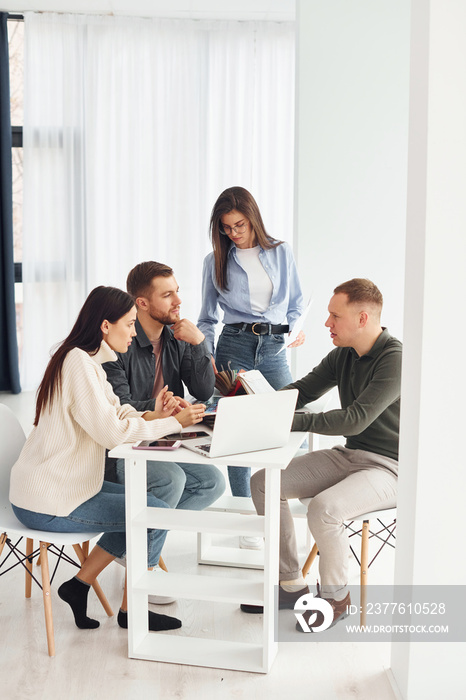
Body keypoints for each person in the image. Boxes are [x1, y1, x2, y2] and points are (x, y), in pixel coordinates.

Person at [9, 286, 206, 632]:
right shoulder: (78, 365)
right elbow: (112, 434)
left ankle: (79, 585)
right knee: (150, 513)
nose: (133, 332)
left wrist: (155, 415)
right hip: (50, 501)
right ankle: (132, 610)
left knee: (150, 506)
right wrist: (173, 423)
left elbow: (117, 412)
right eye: (129, 325)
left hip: (69, 489)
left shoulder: (87, 363)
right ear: (104, 325)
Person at [242, 279, 401, 631]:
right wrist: (254, 403)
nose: (326, 323)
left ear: (362, 318)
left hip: (390, 468)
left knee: (324, 509)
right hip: (351, 455)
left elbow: (356, 419)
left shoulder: (394, 359)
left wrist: (290, 422)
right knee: (264, 483)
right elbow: (301, 391)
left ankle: (336, 597)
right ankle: (290, 585)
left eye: (334, 316)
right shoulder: (343, 355)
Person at [102, 262, 225, 572]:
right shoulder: (118, 342)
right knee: (172, 480)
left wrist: (199, 343)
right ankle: (145, 565)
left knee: (211, 483)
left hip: (163, 437)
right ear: (141, 303)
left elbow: (202, 388)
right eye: (167, 295)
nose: (178, 301)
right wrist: (162, 410)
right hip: (122, 445)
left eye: (177, 292)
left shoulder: (176, 336)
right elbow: (119, 406)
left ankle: (134, 544)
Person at [197, 186, 306, 506]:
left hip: (273, 346)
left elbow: (296, 303)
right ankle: (246, 511)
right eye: (226, 227)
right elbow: (206, 318)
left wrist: (296, 330)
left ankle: (293, 496)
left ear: (253, 218)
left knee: (294, 418)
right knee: (237, 432)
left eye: (239, 225)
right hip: (234, 346)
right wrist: (209, 357)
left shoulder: (281, 252)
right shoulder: (214, 260)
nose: (233, 233)